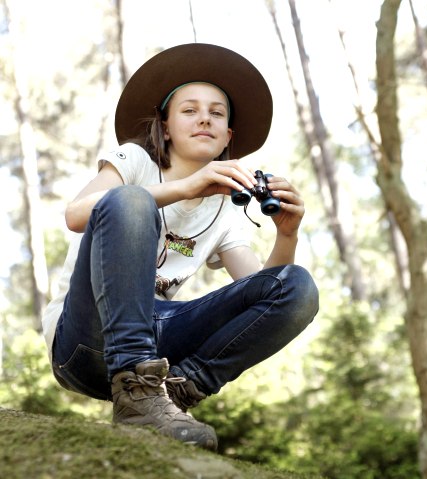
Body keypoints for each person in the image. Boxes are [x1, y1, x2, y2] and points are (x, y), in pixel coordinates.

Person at [42, 43, 319, 451]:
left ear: (228, 136)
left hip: (158, 348)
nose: (204, 117)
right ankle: (138, 387)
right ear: (166, 126)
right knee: (130, 199)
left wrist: (288, 233)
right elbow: (76, 214)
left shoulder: (225, 206)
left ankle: (174, 395)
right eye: (189, 110)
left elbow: (264, 292)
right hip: (85, 339)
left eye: (217, 113)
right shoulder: (135, 160)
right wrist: (186, 186)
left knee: (297, 287)